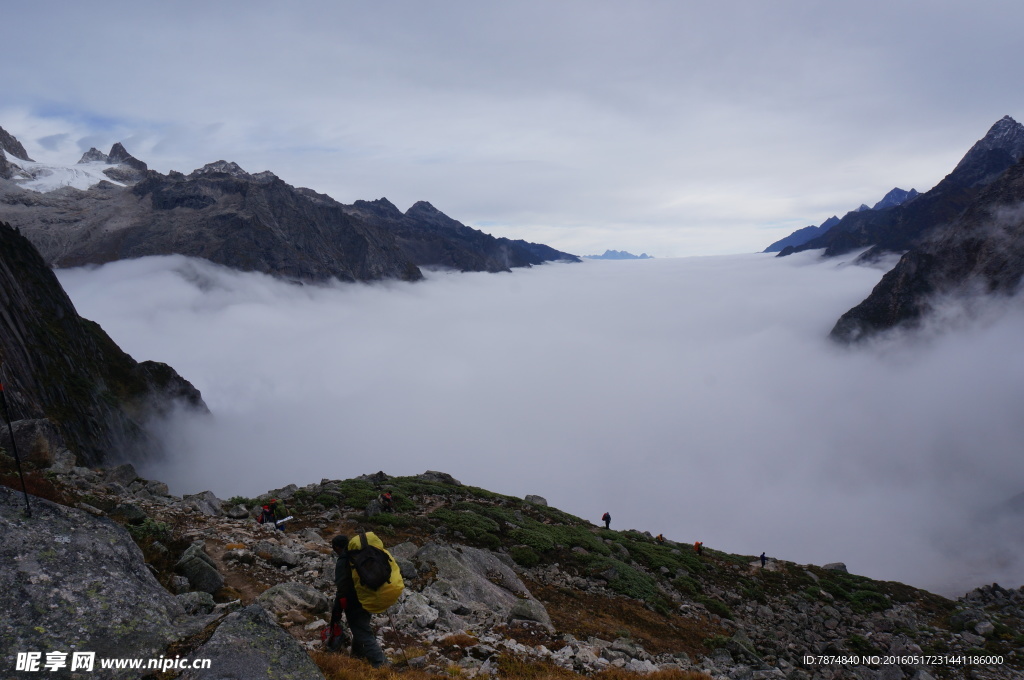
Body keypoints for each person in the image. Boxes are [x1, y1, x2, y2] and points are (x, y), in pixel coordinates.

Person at [329, 534, 387, 668]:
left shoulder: (344, 560)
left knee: (363, 632)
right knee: (360, 628)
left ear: (337, 547)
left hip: (355, 602)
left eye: (334, 548)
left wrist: (337, 610)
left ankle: (382, 664)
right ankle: (357, 656)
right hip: (368, 596)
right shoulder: (359, 556)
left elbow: (342, 588)